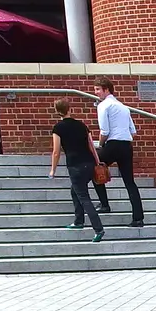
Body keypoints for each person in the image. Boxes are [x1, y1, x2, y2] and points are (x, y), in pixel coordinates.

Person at [48, 99, 104, 242]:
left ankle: (98, 229)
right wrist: (98, 162)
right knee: (75, 191)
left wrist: (52, 170)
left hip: (75, 165)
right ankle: (78, 221)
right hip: (89, 163)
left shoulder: (58, 128)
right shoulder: (82, 125)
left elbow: (56, 151)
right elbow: (91, 145)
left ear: (57, 111)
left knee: (84, 197)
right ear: (69, 109)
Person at [93, 77, 143, 227]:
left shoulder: (103, 106)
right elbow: (133, 132)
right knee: (129, 182)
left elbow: (105, 131)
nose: (96, 93)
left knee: (94, 168)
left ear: (106, 89)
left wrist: (100, 146)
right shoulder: (123, 107)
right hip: (126, 145)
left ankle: (104, 204)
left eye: (97, 89)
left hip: (112, 143)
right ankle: (138, 218)